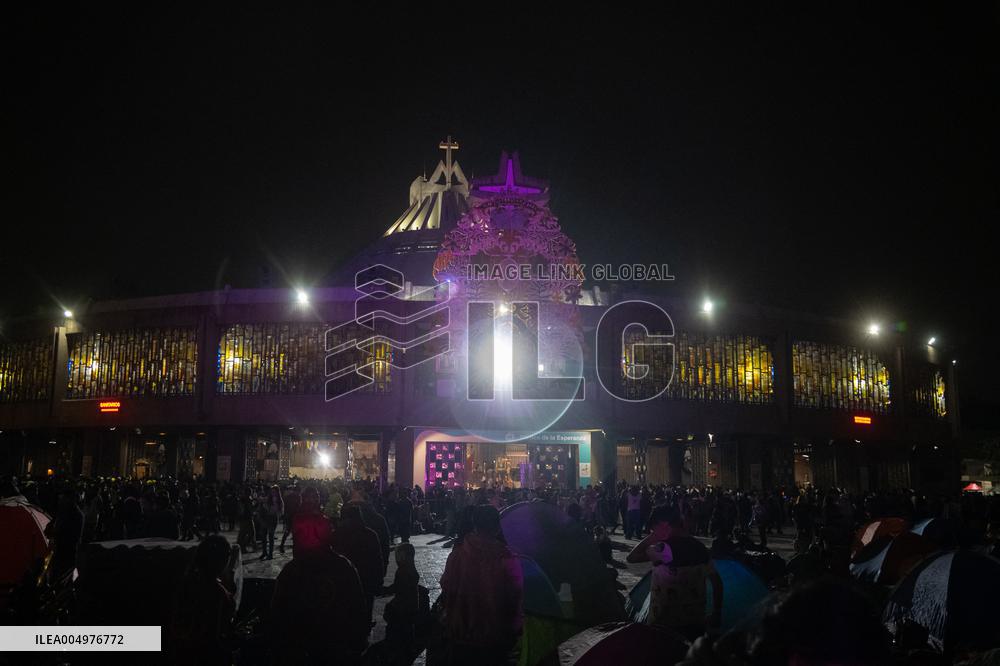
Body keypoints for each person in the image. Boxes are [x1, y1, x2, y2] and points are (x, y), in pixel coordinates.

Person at [269, 510, 369, 665]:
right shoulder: (342, 567)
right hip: (326, 648)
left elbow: (277, 614)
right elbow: (358, 608)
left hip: (312, 649)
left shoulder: (293, 570)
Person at [439, 504, 523, 665]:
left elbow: (447, 587)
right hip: (494, 635)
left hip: (461, 633)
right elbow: (515, 595)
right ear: (497, 528)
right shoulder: (506, 558)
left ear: (475, 525)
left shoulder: (457, 555)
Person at [627, 505, 723, 642]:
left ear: (664, 525)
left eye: (654, 528)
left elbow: (632, 557)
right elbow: (717, 582)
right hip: (695, 621)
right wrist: (717, 611)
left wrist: (654, 537)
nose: (652, 532)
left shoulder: (663, 549)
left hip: (664, 622)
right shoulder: (700, 548)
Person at [169, 534, 236, 665]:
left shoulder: (187, 582)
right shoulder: (216, 592)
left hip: (182, 652)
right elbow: (213, 636)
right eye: (228, 556)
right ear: (222, 561)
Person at [331, 503, 384, 626]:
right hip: (365, 579)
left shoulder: (337, 535)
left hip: (343, 579)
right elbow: (377, 559)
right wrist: (378, 580)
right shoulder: (370, 534)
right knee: (365, 609)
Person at [383, 542, 420, 663]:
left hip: (403, 605)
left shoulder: (403, 571)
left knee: (400, 625)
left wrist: (384, 590)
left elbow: (398, 587)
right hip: (412, 605)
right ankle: (409, 647)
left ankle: (399, 648)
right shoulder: (410, 568)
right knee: (408, 627)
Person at [257, 486, 283, 561]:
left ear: (277, 492)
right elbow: (260, 500)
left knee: (271, 537)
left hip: (273, 519)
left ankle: (270, 554)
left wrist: (273, 511)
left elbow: (280, 512)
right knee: (264, 537)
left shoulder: (279, 501)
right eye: (272, 491)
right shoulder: (269, 498)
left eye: (274, 491)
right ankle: (264, 552)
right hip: (266, 518)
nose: (273, 493)